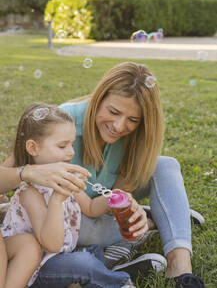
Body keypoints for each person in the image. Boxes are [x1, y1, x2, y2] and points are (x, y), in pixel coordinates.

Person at [0, 62, 205, 288]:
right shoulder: (61, 123)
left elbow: (108, 196)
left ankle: (179, 266)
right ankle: (158, 219)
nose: (118, 126)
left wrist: (123, 204)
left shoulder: (137, 136)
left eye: (132, 120)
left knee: (165, 165)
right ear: (99, 99)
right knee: (86, 244)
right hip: (67, 221)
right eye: (113, 112)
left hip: (90, 204)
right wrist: (29, 172)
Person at [1, 102, 139, 288]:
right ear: (33, 148)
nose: (71, 152)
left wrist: (112, 197)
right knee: (84, 263)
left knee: (93, 253)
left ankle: (105, 271)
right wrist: (57, 201)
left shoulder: (66, 179)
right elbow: (52, 245)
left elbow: (90, 208)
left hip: (61, 257)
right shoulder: (30, 193)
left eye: (72, 144)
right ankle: (120, 282)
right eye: (62, 146)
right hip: (38, 267)